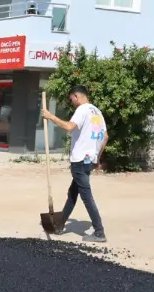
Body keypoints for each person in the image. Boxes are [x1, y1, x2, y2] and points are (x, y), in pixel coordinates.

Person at [42, 84, 108, 243]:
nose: (71, 102)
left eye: (71, 99)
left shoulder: (83, 110)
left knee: (86, 196)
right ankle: (59, 225)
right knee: (73, 193)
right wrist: (97, 158)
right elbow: (105, 137)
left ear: (76, 96)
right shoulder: (96, 112)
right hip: (88, 159)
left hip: (79, 160)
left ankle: (99, 232)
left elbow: (69, 127)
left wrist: (50, 116)